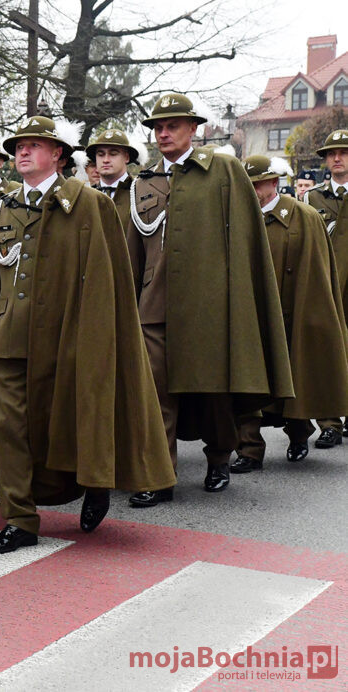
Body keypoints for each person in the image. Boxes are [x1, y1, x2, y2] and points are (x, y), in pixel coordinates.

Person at [0, 115, 175, 554]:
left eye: (34, 145)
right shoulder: (3, 206)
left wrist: (95, 339)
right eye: (18, 146)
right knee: (8, 430)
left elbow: (107, 280)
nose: (23, 152)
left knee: (68, 424)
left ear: (58, 154)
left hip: (66, 337)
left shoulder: (87, 204)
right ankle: (20, 519)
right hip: (8, 338)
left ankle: (94, 483)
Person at [125, 93, 293, 506]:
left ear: (193, 128)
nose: (164, 133)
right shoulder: (143, 182)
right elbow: (133, 251)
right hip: (153, 307)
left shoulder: (223, 170)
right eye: (158, 127)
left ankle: (219, 458)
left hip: (209, 305)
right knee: (156, 395)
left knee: (213, 393)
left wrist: (236, 303)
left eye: (173, 126)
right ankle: (160, 475)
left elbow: (245, 239)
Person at [233, 155, 348, 471]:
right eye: (247, 185)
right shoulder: (236, 217)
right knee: (247, 380)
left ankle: (299, 432)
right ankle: (249, 449)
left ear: (274, 182)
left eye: (258, 185)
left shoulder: (304, 216)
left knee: (294, 375)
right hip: (250, 311)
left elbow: (318, 272)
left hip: (291, 310)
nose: (252, 191)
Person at [303, 129, 348, 447]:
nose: (337, 158)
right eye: (331, 153)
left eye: (343, 152)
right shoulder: (311, 198)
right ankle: (329, 422)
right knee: (325, 350)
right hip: (325, 284)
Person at [86, 127, 146, 231]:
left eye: (113, 154)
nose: (106, 160)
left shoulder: (141, 192)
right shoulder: (86, 196)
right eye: (100, 154)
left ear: (126, 157)